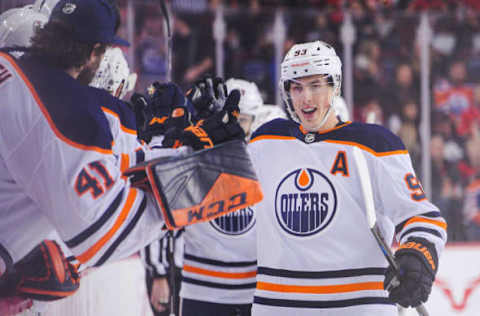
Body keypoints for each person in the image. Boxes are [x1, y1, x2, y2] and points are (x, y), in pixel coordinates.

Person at [0, 0, 245, 307]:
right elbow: (105, 235)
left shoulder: (13, 70)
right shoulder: (64, 108)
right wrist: (207, 175)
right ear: (95, 52)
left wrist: (172, 149)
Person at [247, 41, 447, 315]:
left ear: (334, 86)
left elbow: (422, 217)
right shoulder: (265, 140)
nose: (306, 98)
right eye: (297, 87)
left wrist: (417, 254)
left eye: (316, 85)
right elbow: (218, 196)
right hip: (278, 307)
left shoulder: (374, 144)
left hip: (359, 307)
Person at [144, 78, 285, 316]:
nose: (234, 125)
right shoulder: (196, 152)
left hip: (255, 291)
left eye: (243, 120)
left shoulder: (267, 156)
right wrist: (160, 273)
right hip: (201, 290)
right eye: (231, 117)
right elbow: (162, 215)